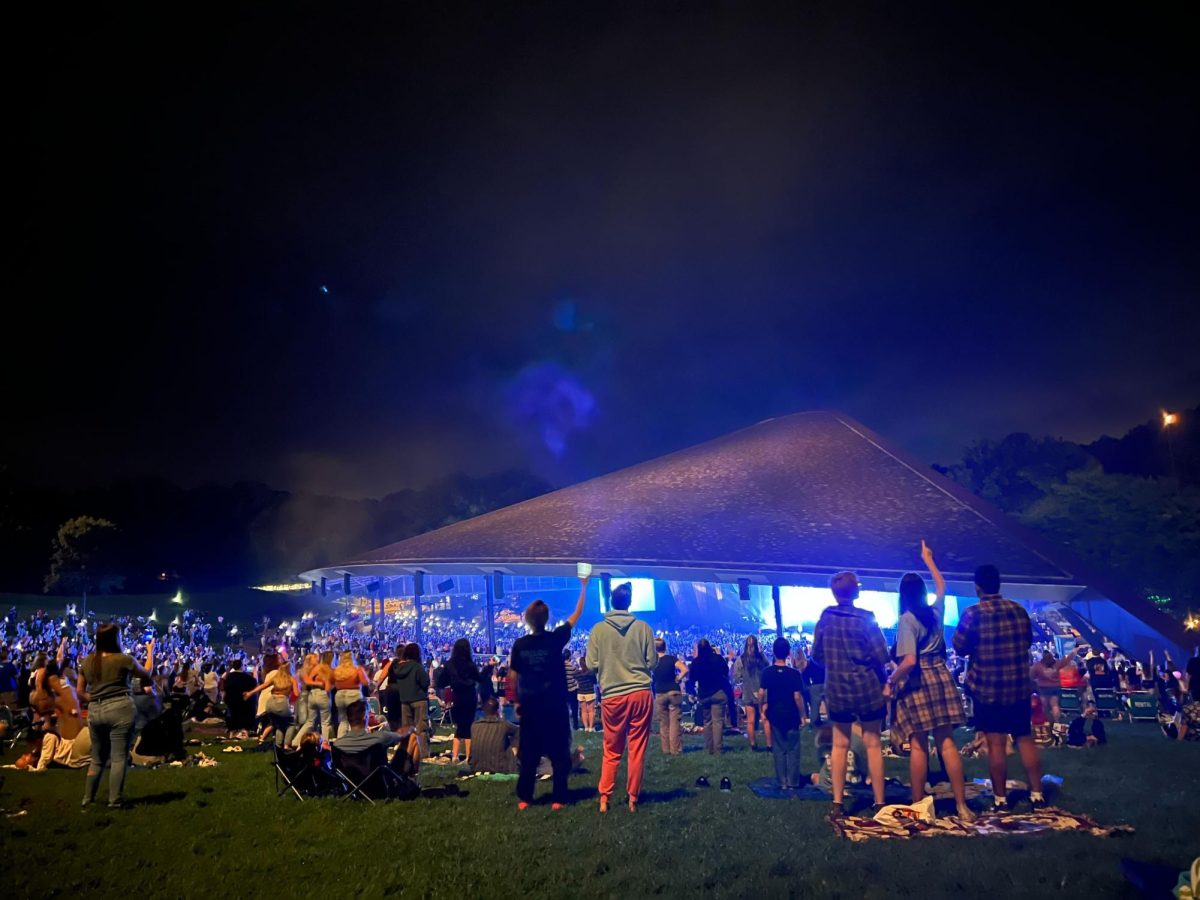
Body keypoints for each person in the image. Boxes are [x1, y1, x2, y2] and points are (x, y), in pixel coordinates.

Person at [883, 541, 975, 821]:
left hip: (919, 682)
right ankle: (962, 806)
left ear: (903, 595)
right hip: (942, 677)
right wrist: (929, 560)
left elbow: (909, 661)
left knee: (919, 745)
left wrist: (890, 681)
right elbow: (942, 588)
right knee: (947, 743)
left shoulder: (907, 620)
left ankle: (918, 806)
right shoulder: (935, 613)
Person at [953, 564, 1046, 812]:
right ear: (999, 584)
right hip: (1018, 687)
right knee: (1025, 739)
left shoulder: (973, 614)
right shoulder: (1018, 611)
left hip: (988, 688)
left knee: (995, 744)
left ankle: (1000, 799)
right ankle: (1037, 793)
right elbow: (1027, 642)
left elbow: (959, 647)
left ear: (977, 587)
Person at [811, 571, 888, 817]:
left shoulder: (825, 617)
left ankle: (837, 803)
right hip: (867, 687)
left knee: (840, 744)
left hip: (837, 688)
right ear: (855, 591)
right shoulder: (866, 618)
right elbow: (881, 654)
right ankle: (879, 802)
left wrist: (836, 664)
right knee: (873, 743)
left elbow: (816, 654)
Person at [509, 576, 588, 810]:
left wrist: (515, 701)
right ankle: (559, 798)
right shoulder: (555, 639)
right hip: (554, 705)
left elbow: (513, 676)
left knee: (529, 753)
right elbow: (575, 616)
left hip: (531, 707)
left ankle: (525, 797)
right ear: (546, 619)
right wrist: (584, 586)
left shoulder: (520, 645)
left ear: (528, 620)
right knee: (559, 753)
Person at [586, 581, 657, 813]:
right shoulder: (643, 627)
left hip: (613, 695)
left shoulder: (598, 629)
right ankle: (633, 799)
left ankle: (605, 798)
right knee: (636, 748)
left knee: (612, 749)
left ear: (610, 602)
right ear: (629, 603)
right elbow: (652, 662)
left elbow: (590, 663)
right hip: (640, 692)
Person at [76, 625, 154, 809]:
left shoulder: (87, 661)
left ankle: (87, 799)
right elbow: (146, 674)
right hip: (120, 707)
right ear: (115, 638)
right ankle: (115, 800)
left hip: (96, 710)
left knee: (97, 757)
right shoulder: (123, 660)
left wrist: (94, 698)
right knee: (119, 756)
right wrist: (150, 653)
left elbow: (79, 691)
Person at [332, 699, 421, 781]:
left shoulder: (337, 744)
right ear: (364, 716)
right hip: (379, 784)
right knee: (413, 737)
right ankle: (411, 779)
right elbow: (401, 735)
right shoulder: (379, 738)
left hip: (353, 786)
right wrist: (411, 728)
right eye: (369, 712)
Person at [759, 637, 806, 789]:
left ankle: (782, 782)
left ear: (773, 652)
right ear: (788, 653)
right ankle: (793, 781)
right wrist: (802, 715)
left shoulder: (767, 673)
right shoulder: (794, 674)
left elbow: (761, 693)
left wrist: (762, 708)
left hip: (775, 714)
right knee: (793, 749)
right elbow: (797, 696)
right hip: (791, 714)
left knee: (779, 749)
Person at [686, 639, 729, 755]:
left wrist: (692, 693)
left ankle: (710, 748)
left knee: (707, 722)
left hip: (704, 694)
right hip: (718, 692)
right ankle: (718, 748)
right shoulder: (718, 659)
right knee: (718, 721)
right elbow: (726, 671)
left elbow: (691, 679)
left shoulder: (696, 662)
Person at [244, 659, 295, 748]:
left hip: (270, 703)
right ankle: (286, 745)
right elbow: (297, 693)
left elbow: (263, 686)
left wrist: (250, 693)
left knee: (278, 723)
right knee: (291, 723)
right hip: (282, 702)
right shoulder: (291, 679)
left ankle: (277, 745)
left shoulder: (275, 678)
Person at [446, 638, 482, 764]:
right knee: (468, 726)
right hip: (469, 696)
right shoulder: (470, 664)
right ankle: (468, 757)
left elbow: (442, 681)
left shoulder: (450, 664)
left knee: (460, 726)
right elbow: (478, 678)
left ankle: (455, 756)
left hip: (457, 696)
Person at [652, 637, 687, 755]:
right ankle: (675, 749)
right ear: (665, 647)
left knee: (663, 723)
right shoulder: (672, 659)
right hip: (673, 691)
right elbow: (685, 669)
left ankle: (666, 749)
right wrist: (678, 678)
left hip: (660, 692)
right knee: (674, 722)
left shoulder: (653, 662)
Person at [734, 635, 770, 751]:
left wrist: (742, 681)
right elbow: (768, 669)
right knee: (765, 719)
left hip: (748, 692)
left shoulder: (741, 659)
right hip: (762, 691)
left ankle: (753, 744)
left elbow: (737, 677)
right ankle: (770, 745)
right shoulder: (761, 658)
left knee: (750, 721)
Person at [470, 696, 520, 773]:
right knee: (508, 744)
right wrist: (515, 748)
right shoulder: (503, 725)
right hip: (499, 768)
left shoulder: (474, 725)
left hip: (476, 768)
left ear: (483, 710)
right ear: (497, 710)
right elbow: (519, 730)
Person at [332, 651, 371, 739]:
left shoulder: (336, 671)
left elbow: (332, 684)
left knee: (343, 721)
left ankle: (340, 742)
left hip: (339, 695)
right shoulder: (357, 669)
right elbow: (365, 682)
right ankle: (360, 740)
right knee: (358, 719)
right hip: (354, 695)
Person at [221, 658, 258, 737]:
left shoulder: (230, 676)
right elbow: (254, 684)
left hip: (231, 700)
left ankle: (233, 731)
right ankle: (244, 730)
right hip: (242, 700)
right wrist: (255, 673)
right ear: (242, 666)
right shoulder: (245, 676)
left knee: (233, 715)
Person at [575, 659, 598, 732]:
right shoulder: (591, 673)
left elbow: (575, 680)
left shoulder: (577, 673)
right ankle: (591, 727)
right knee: (591, 711)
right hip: (590, 692)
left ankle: (586, 727)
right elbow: (595, 682)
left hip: (581, 692)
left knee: (583, 711)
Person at [564, 649, 581, 731]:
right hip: (572, 689)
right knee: (574, 708)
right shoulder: (572, 666)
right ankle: (575, 725)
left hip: (563, 690)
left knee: (564, 708)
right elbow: (576, 674)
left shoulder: (559, 667)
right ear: (570, 656)